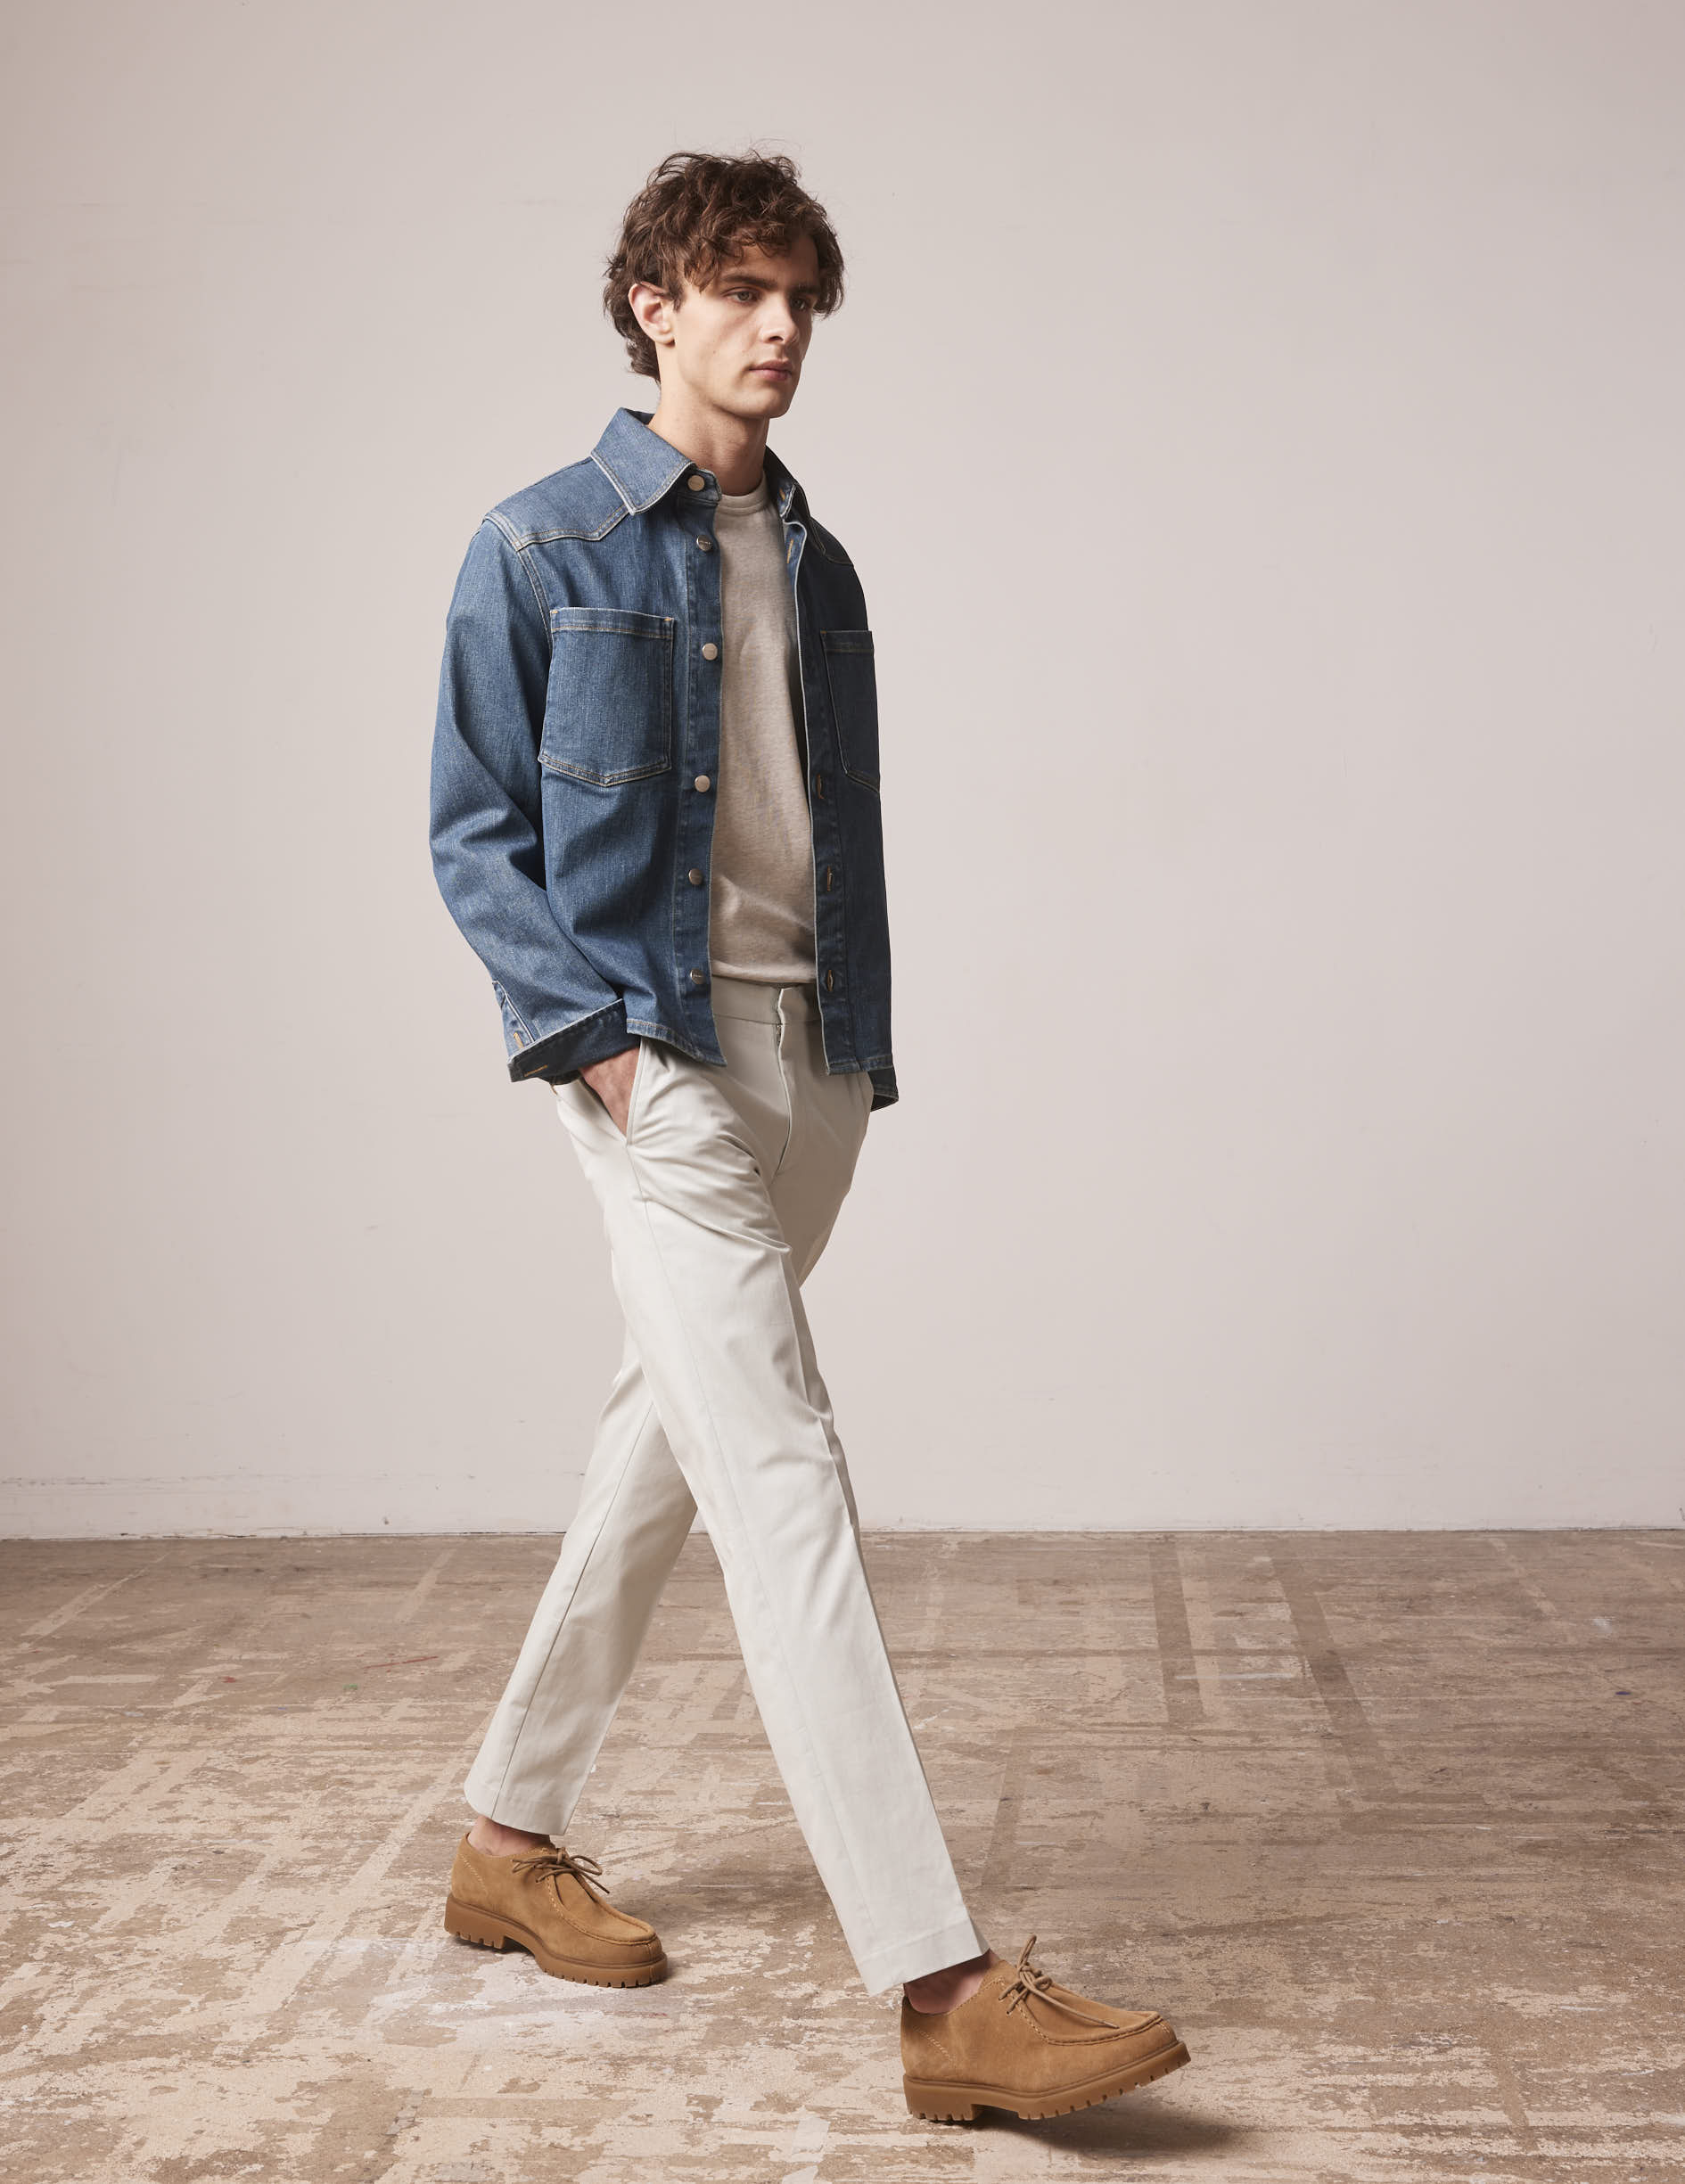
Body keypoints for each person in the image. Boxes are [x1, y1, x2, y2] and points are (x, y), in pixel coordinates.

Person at [427, 147, 1190, 2123]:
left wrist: (848, 1058)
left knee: (668, 1444)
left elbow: (815, 828)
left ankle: (503, 1840)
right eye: (740, 292)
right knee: (782, 1476)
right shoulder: (537, 546)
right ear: (653, 307)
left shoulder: (820, 563)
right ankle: (942, 1987)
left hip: (814, 1061)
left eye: (799, 300)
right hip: (659, 1061)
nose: (777, 329)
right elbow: (473, 833)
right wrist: (605, 1056)